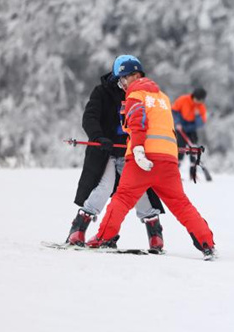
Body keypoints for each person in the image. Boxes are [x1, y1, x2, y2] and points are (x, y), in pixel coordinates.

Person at [85, 56, 217, 260]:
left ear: (132, 76)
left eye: (122, 79)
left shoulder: (135, 95)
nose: (122, 84)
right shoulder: (162, 97)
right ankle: (207, 243)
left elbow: (138, 124)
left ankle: (103, 237)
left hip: (143, 159)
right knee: (181, 204)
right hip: (168, 160)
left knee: (122, 198)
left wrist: (137, 149)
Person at [66, 55, 165, 252]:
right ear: (119, 77)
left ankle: (155, 235)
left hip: (132, 152)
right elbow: (90, 117)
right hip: (106, 151)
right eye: (130, 77)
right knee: (104, 185)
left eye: (138, 77)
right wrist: (98, 136)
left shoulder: (145, 94)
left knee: (139, 191)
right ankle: (78, 229)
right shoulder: (102, 92)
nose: (135, 82)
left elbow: (156, 122)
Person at [172, 87, 207, 180]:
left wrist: (197, 116)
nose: (198, 102)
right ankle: (175, 174)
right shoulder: (183, 100)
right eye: (197, 100)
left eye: (201, 101)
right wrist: (177, 122)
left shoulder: (201, 107)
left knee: (194, 150)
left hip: (192, 129)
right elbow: (174, 111)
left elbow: (201, 123)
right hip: (180, 128)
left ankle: (193, 173)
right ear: (194, 96)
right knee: (180, 150)